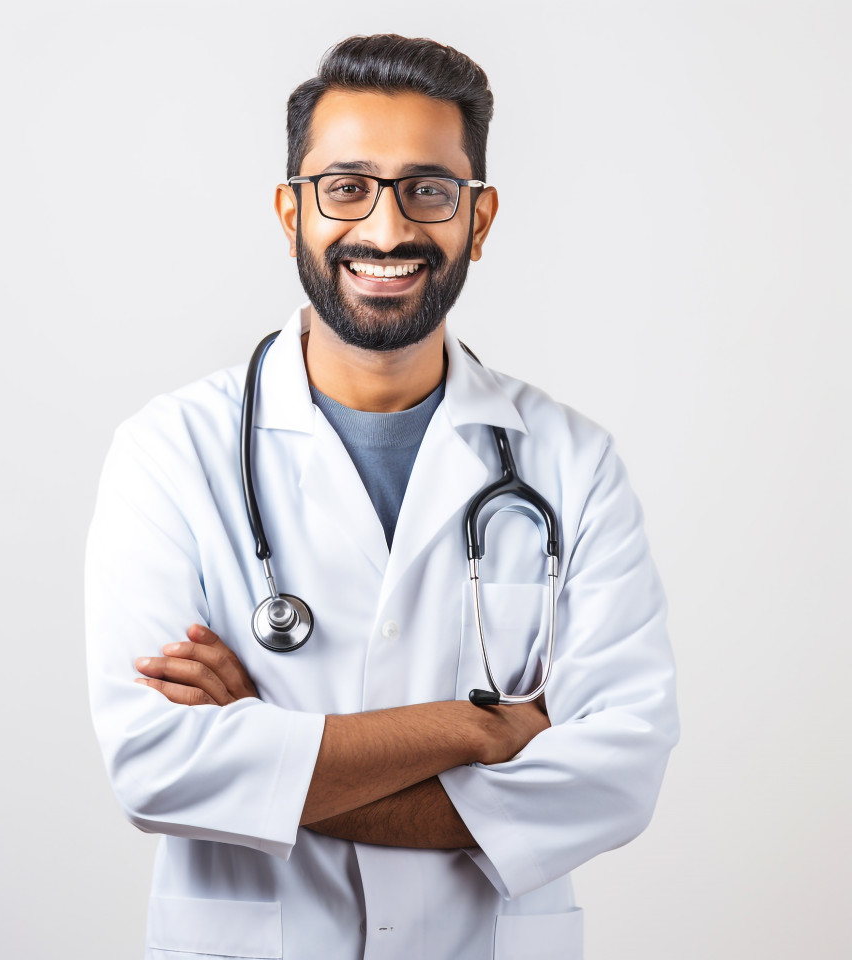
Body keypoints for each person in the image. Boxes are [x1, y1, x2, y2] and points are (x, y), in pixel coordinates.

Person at [86, 34, 679, 960]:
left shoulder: (573, 462)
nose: (388, 229)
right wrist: (481, 730)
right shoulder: (170, 453)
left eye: (428, 190)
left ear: (478, 220)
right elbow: (157, 770)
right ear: (292, 213)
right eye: (348, 186)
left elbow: (617, 775)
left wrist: (273, 754)